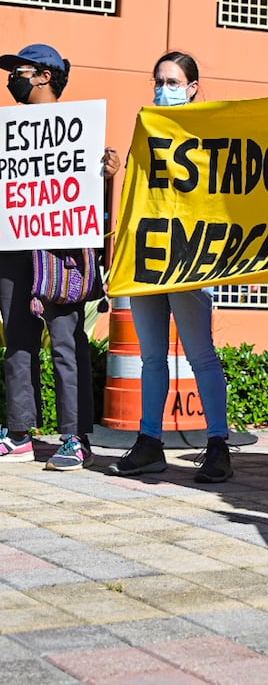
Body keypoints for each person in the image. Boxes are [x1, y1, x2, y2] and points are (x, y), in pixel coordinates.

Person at [107, 52, 234, 483]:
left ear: (193, 87)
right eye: (159, 81)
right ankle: (149, 442)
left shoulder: (210, 129)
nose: (164, 88)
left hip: (191, 256)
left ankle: (218, 444)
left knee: (201, 354)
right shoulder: (145, 127)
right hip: (148, 257)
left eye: (173, 81)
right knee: (151, 357)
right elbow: (137, 195)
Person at [0, 44, 118, 470]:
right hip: (12, 249)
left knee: (67, 343)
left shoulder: (78, 132)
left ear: (45, 76)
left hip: (61, 251)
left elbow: (97, 209)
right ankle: (19, 434)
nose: (14, 77)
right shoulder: (6, 133)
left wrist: (107, 179)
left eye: (21, 70)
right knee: (18, 343)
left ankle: (74, 437)